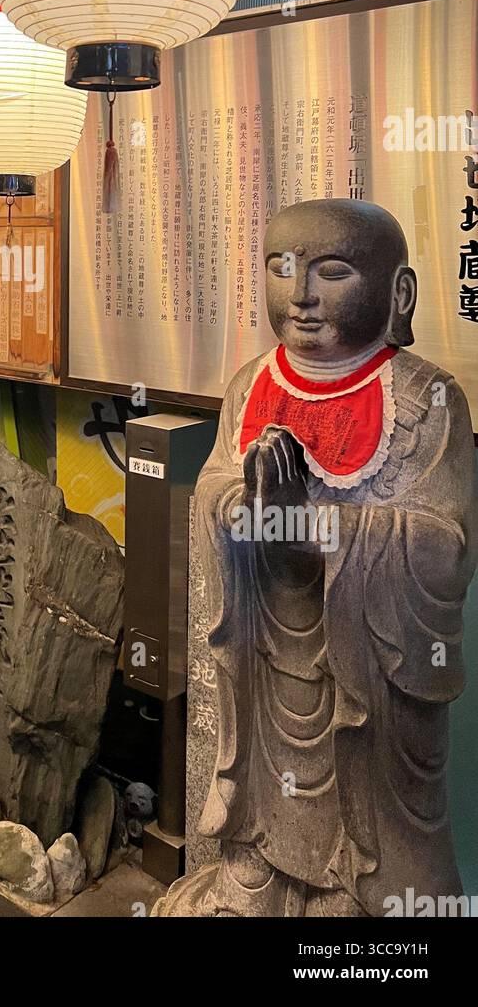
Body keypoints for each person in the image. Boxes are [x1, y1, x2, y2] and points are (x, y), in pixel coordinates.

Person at [156, 199, 477, 917]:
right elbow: (211, 484)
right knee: (268, 781)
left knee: (369, 791)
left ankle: (356, 892)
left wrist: (318, 528)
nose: (299, 293)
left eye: (330, 272)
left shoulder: (426, 400)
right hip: (268, 644)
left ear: (397, 293)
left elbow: (444, 547)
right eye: (280, 268)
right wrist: (240, 510)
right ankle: (261, 870)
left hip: (369, 662)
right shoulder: (249, 384)